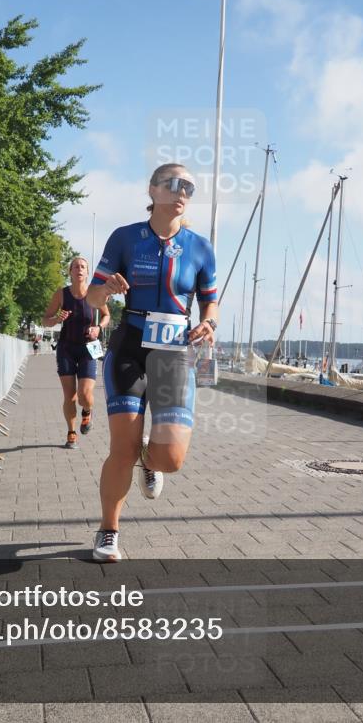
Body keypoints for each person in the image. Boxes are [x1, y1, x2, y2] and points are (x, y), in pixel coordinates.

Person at [85, 163, 218, 562]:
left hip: (174, 355)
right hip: (129, 349)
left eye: (189, 187)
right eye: (174, 184)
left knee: (171, 459)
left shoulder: (200, 246)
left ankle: (150, 459)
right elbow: (92, 299)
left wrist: (209, 323)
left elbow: (210, 300)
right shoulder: (126, 238)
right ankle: (108, 531)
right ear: (153, 190)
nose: (182, 192)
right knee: (120, 449)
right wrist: (105, 290)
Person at [43, 257, 110, 449]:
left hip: (89, 348)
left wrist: (99, 328)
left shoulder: (94, 293)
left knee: (85, 395)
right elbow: (45, 320)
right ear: (70, 271)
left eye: (83, 267)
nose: (79, 269)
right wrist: (56, 318)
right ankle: (71, 432)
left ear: (87, 273)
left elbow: (106, 315)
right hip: (66, 348)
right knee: (70, 395)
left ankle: (87, 411)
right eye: (75, 267)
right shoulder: (61, 294)